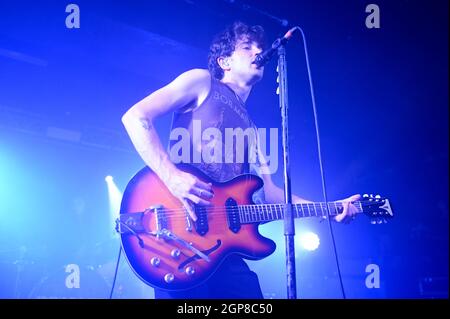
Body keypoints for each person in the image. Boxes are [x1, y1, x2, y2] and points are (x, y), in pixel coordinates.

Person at [121, 21, 360, 299]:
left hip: (223, 248)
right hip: (179, 234)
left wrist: (328, 208)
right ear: (224, 61)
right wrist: (172, 177)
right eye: (247, 47)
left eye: (259, 47)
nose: (257, 51)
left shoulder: (253, 129)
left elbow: (271, 194)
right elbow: (136, 117)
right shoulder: (201, 81)